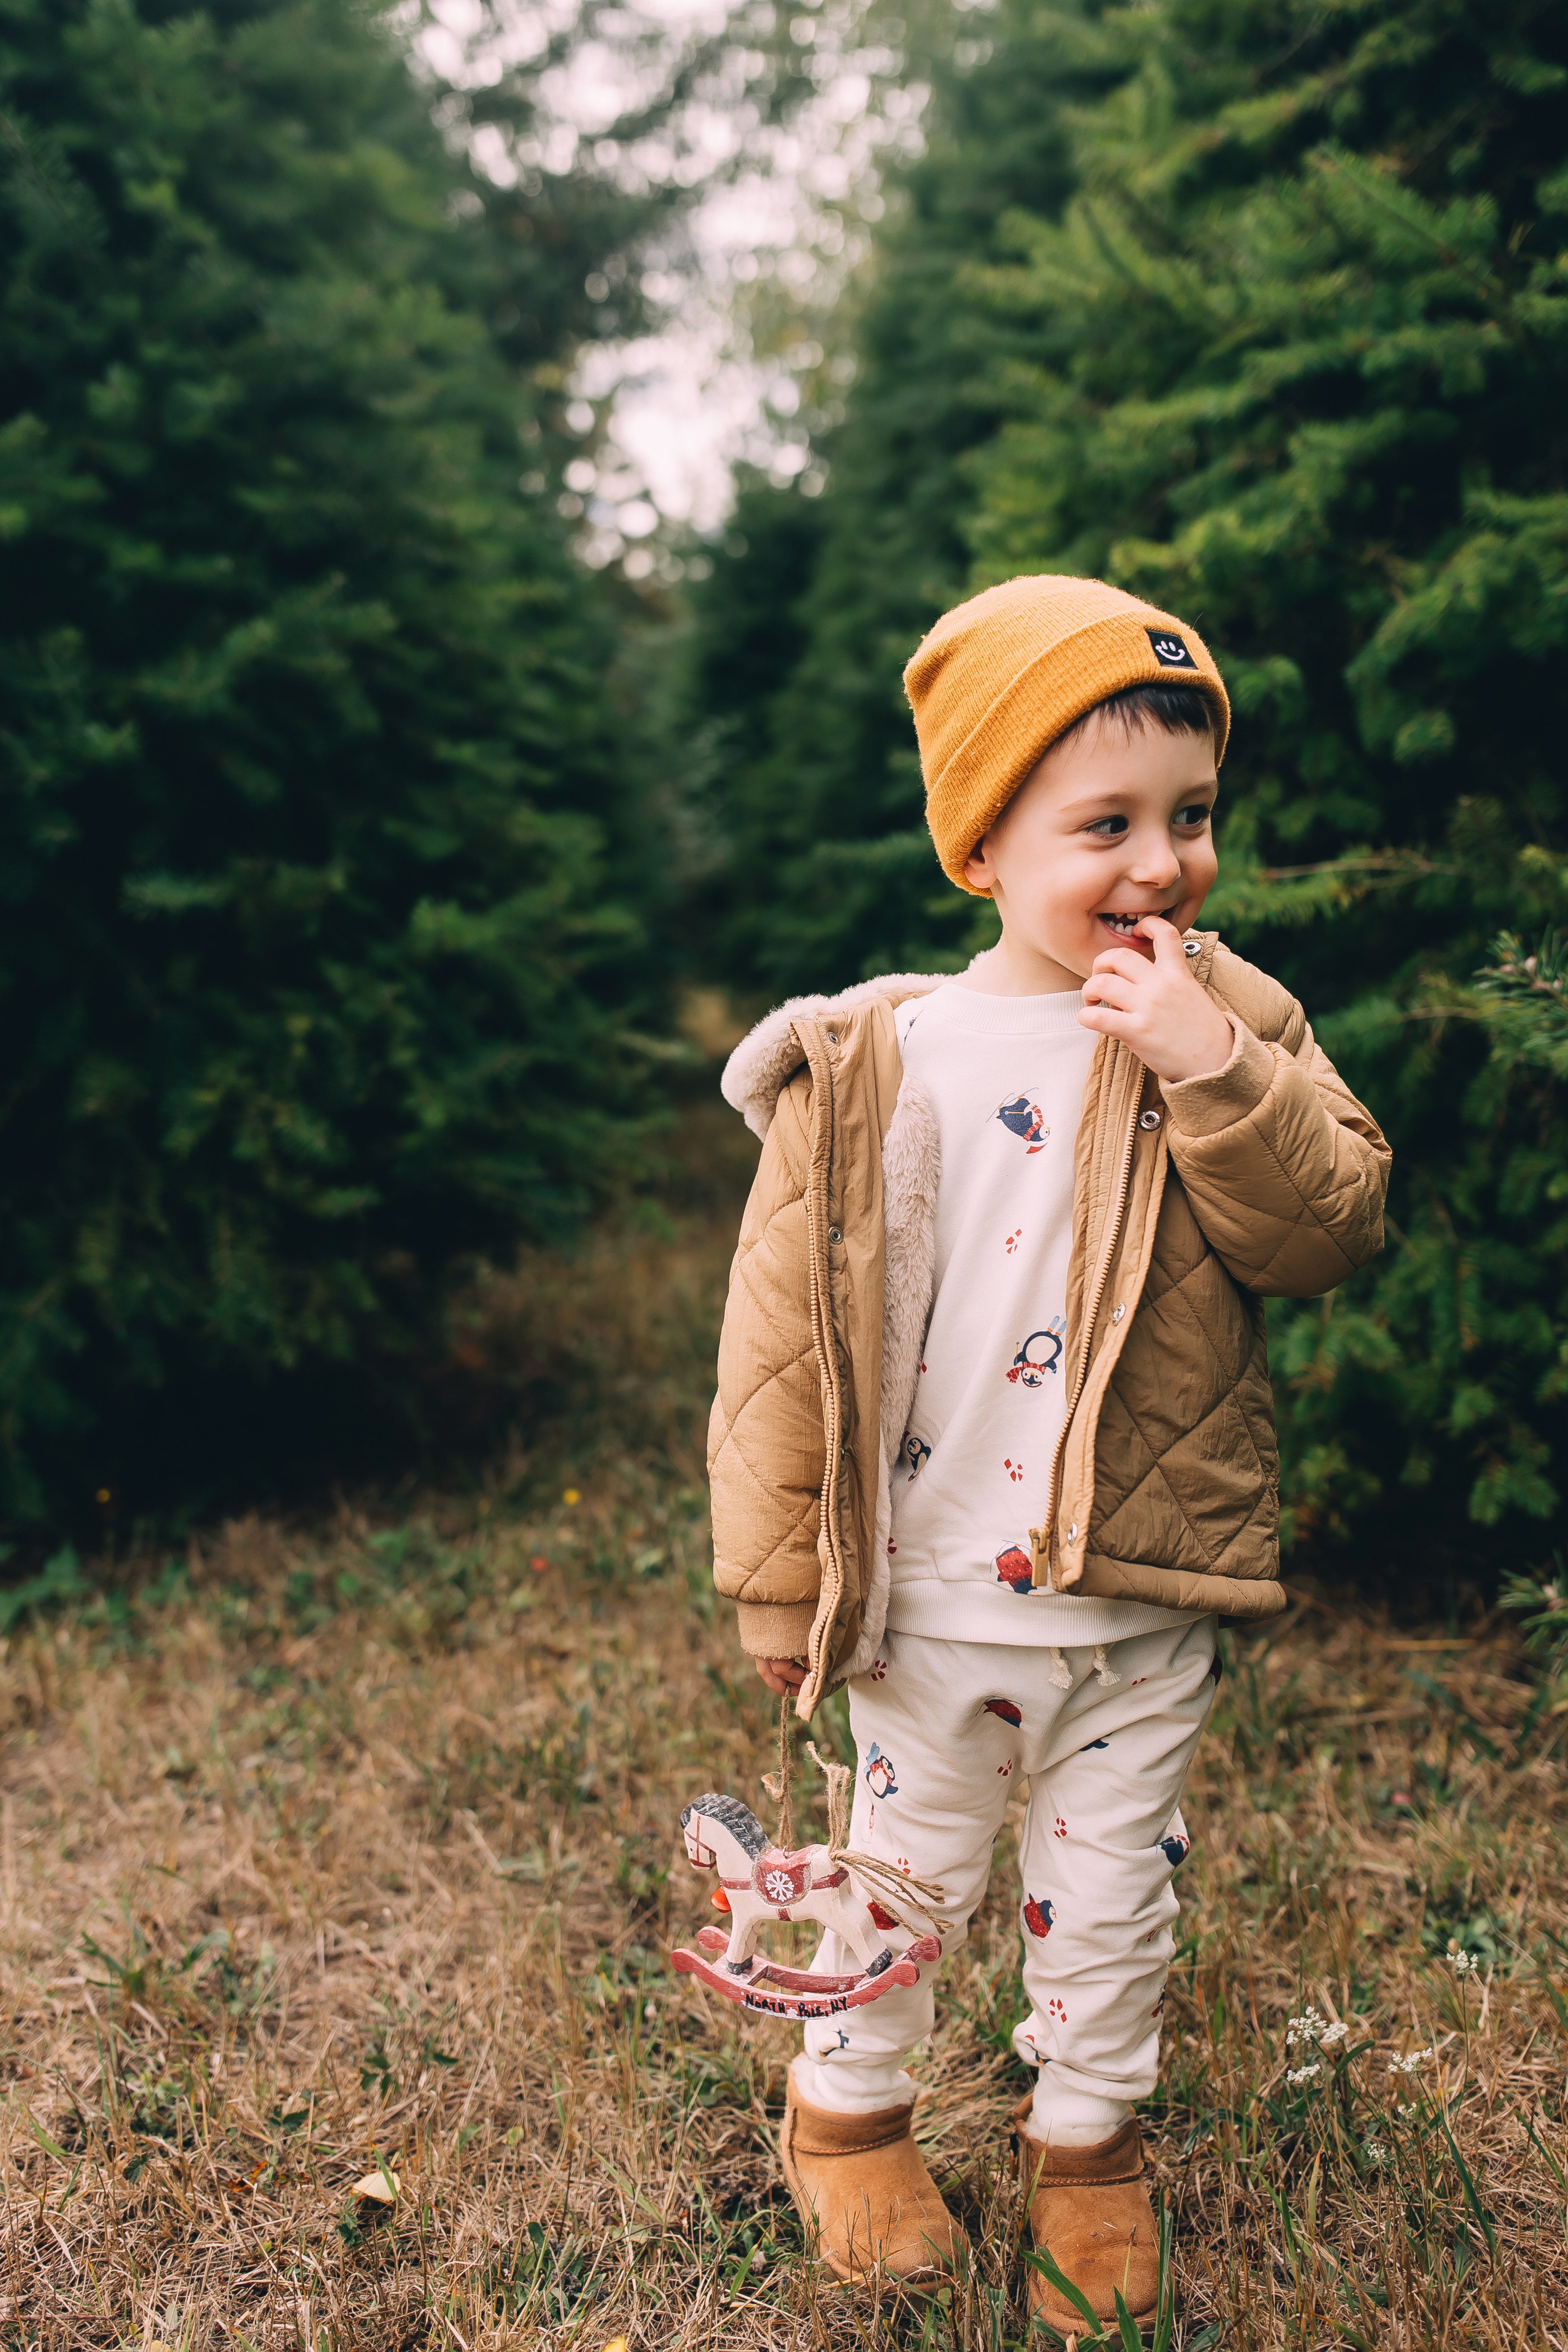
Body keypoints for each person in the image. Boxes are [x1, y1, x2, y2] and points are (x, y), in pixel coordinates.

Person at [706, 575, 1390, 2327]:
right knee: (901, 1885)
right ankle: (849, 2119)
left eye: (1192, 818)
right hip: (930, 1603)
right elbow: (781, 1349)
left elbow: (1329, 1228)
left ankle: (1087, 2148)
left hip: (1139, 1588)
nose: (1160, 865)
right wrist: (779, 1577)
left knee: (1110, 1903)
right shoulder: (880, 1060)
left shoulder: (1225, 1023)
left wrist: (1215, 1067)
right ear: (985, 843)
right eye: (1108, 824)